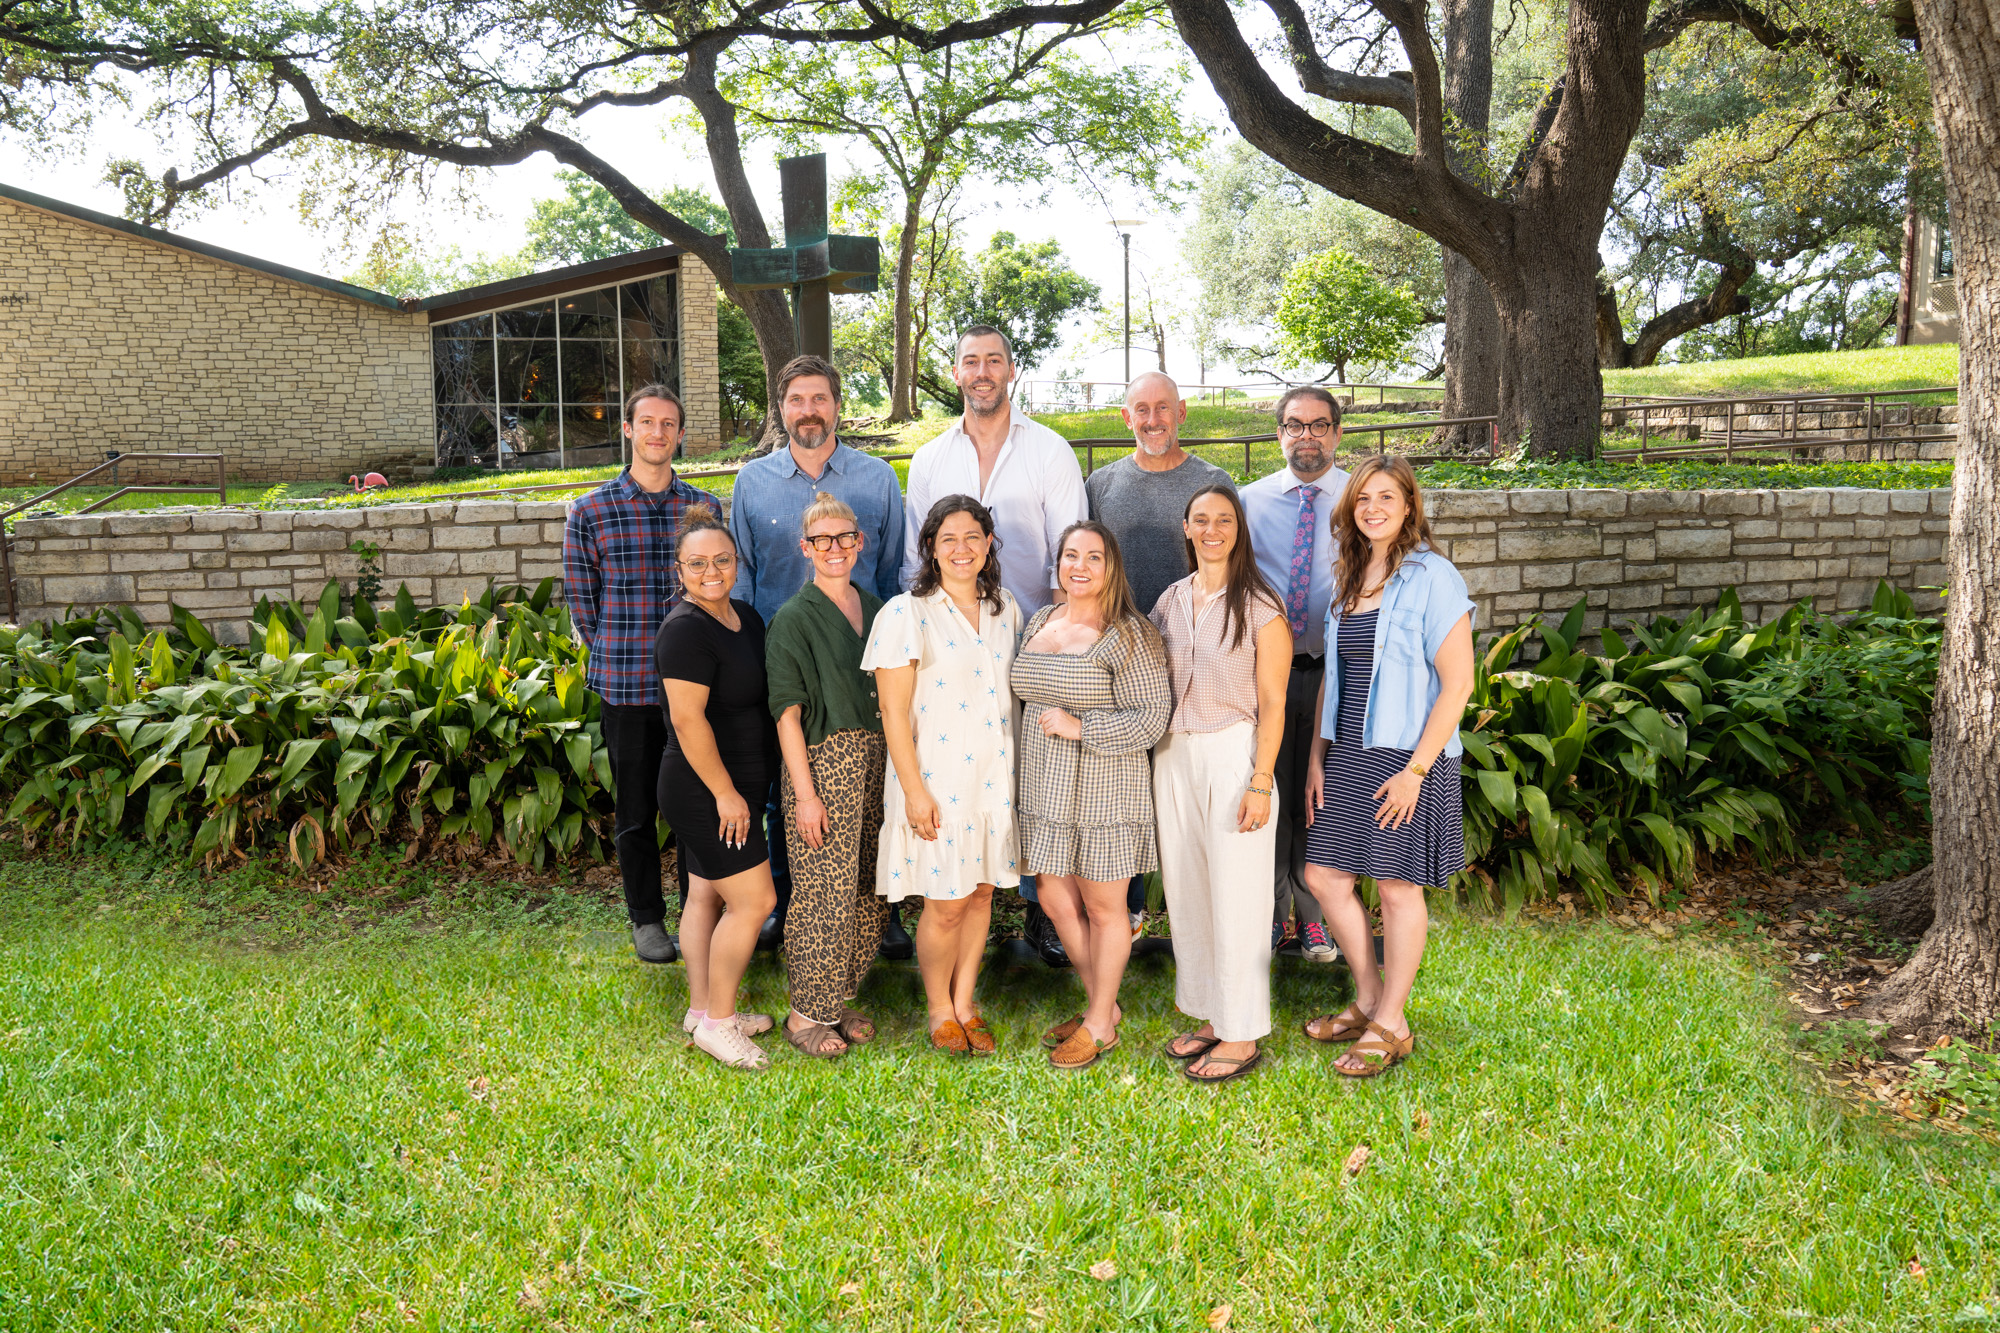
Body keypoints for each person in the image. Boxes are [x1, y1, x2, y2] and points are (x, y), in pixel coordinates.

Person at [900, 326, 1086, 969]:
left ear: (1011, 370)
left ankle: (1043, 910)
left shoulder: (1050, 450)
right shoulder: (930, 458)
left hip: (1030, 639)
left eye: (994, 360)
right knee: (962, 772)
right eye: (970, 361)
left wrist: (1060, 646)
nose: (982, 371)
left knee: (1038, 774)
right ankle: (948, 892)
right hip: (949, 645)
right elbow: (915, 557)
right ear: (956, 373)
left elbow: (1069, 554)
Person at [1302, 455, 1476, 1077]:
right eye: (1363, 498)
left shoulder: (1434, 576)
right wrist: (1317, 757)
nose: (1373, 508)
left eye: (1386, 497)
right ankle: (1371, 999)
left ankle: (1393, 1023)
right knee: (1324, 877)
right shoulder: (1350, 575)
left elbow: (1458, 684)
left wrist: (1416, 771)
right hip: (1349, 752)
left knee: (1398, 888)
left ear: (1408, 506)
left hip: (1407, 756)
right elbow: (1334, 678)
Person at [729, 355, 909, 960]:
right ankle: (788, 905)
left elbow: (891, 572)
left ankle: (881, 911)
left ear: (836, 405)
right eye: (796, 400)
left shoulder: (877, 478)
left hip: (860, 656)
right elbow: (743, 577)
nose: (808, 410)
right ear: (781, 409)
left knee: (875, 785)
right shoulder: (752, 482)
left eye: (819, 398)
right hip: (780, 657)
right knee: (786, 788)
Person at [865, 495, 1024, 1054]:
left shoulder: (1006, 609)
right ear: (930, 547)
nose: (961, 548)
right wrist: (914, 792)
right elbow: (892, 712)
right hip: (937, 784)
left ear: (988, 544)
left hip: (994, 783)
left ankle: (966, 1002)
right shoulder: (905, 614)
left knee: (981, 895)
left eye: (972, 537)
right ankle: (939, 1008)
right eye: (948, 539)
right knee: (947, 903)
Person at [1083, 370, 1234, 940]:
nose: (1152, 420)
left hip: (1194, 656)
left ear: (1181, 412)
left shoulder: (1212, 480)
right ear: (1126, 417)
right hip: (1119, 654)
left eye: (1163, 408)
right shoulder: (1101, 484)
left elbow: (1230, 558)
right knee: (1122, 780)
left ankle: (1197, 909)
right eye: (1141, 410)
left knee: (1181, 784)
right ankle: (1127, 906)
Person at [1015, 521, 1172, 1070]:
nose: (1079, 566)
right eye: (1070, 555)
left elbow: (1152, 717)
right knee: (1056, 901)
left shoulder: (1130, 634)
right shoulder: (1041, 620)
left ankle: (1100, 1023)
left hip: (1104, 788)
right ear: (1058, 563)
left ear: (1111, 568)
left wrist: (1082, 727)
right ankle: (1101, 1007)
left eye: (1093, 557)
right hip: (1045, 788)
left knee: (1105, 910)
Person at [562, 383, 708, 967]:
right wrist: (616, 650)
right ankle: (647, 918)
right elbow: (583, 602)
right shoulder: (590, 510)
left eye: (668, 424)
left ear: (679, 434)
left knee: (696, 806)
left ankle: (699, 911)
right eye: (646, 422)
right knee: (635, 812)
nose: (657, 433)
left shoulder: (702, 507)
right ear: (628, 430)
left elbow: (714, 586)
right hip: (626, 685)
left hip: (693, 689)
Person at [1150, 484, 1291, 1084]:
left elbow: (1273, 702)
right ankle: (1213, 1013)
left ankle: (1243, 1032)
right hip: (1172, 755)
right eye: (1201, 520)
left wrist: (1260, 780)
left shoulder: (1261, 605)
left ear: (1238, 529)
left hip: (1234, 754)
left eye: (1224, 520)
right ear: (1185, 528)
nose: (1212, 530)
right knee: (1189, 893)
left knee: (1239, 896)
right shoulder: (1169, 600)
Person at [764, 493, 891, 1059]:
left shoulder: (880, 609)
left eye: (845, 537)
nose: (835, 548)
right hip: (825, 764)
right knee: (823, 893)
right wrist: (806, 797)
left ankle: (833, 1001)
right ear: (805, 548)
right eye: (822, 540)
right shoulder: (793, 619)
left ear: (859, 542)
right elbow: (786, 715)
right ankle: (803, 1015)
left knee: (869, 888)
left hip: (879, 761)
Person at [656, 506, 781, 1070]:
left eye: (722, 560)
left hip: (738, 786)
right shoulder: (685, 630)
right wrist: (726, 793)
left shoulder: (744, 617)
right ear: (679, 569)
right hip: (706, 788)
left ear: (737, 562)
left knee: (706, 893)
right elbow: (688, 722)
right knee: (755, 901)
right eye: (697, 563)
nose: (712, 572)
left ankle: (701, 1009)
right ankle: (719, 1025)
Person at [1240, 387, 1352, 964]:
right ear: (1279, 433)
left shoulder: (1359, 498)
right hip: (1267, 673)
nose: (1306, 436)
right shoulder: (1248, 502)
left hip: (1335, 671)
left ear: (1337, 433)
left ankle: (1311, 916)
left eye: (1318, 425)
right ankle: (1268, 913)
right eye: (1295, 425)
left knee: (1317, 796)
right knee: (1271, 789)